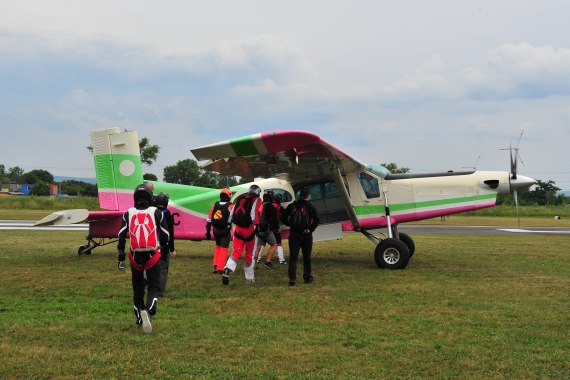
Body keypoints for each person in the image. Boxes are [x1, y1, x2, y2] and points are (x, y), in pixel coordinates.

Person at [117, 183, 170, 334]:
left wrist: (120, 254)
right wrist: (164, 250)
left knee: (138, 289)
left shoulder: (128, 212)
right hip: (152, 255)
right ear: (149, 197)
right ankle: (150, 310)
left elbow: (121, 234)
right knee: (154, 287)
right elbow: (166, 234)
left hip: (135, 256)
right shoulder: (157, 212)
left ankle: (140, 318)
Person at [222, 184, 262, 285]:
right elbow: (254, 213)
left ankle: (228, 268)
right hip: (249, 230)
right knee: (249, 254)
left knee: (236, 252)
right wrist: (257, 226)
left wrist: (228, 223)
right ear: (257, 192)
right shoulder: (257, 199)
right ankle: (249, 279)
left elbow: (232, 213)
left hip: (238, 229)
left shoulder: (241, 198)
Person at [281, 187, 319, 286]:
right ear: (307, 196)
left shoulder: (292, 205)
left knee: (293, 257)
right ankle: (307, 277)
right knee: (306, 257)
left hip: (294, 235)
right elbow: (317, 219)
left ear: (300, 194)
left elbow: (282, 217)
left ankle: (292, 279)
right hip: (306, 235)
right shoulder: (310, 205)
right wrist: (310, 229)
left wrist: (289, 224)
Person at [206, 188, 234, 274]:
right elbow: (232, 218)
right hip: (225, 230)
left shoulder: (215, 205)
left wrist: (208, 231)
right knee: (224, 249)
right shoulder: (230, 206)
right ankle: (221, 268)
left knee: (218, 247)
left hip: (216, 230)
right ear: (229, 196)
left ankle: (215, 267)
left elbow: (209, 219)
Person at [154, 192, 176, 297]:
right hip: (163, 245)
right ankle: (160, 291)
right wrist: (172, 248)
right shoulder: (167, 214)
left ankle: (148, 285)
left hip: (152, 244)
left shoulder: (152, 212)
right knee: (163, 268)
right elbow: (170, 233)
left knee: (151, 266)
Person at [252, 190, 279, 269]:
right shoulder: (270, 206)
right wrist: (276, 228)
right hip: (267, 230)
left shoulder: (260, 205)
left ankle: (254, 265)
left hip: (258, 230)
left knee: (258, 247)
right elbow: (274, 219)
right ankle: (268, 262)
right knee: (274, 245)